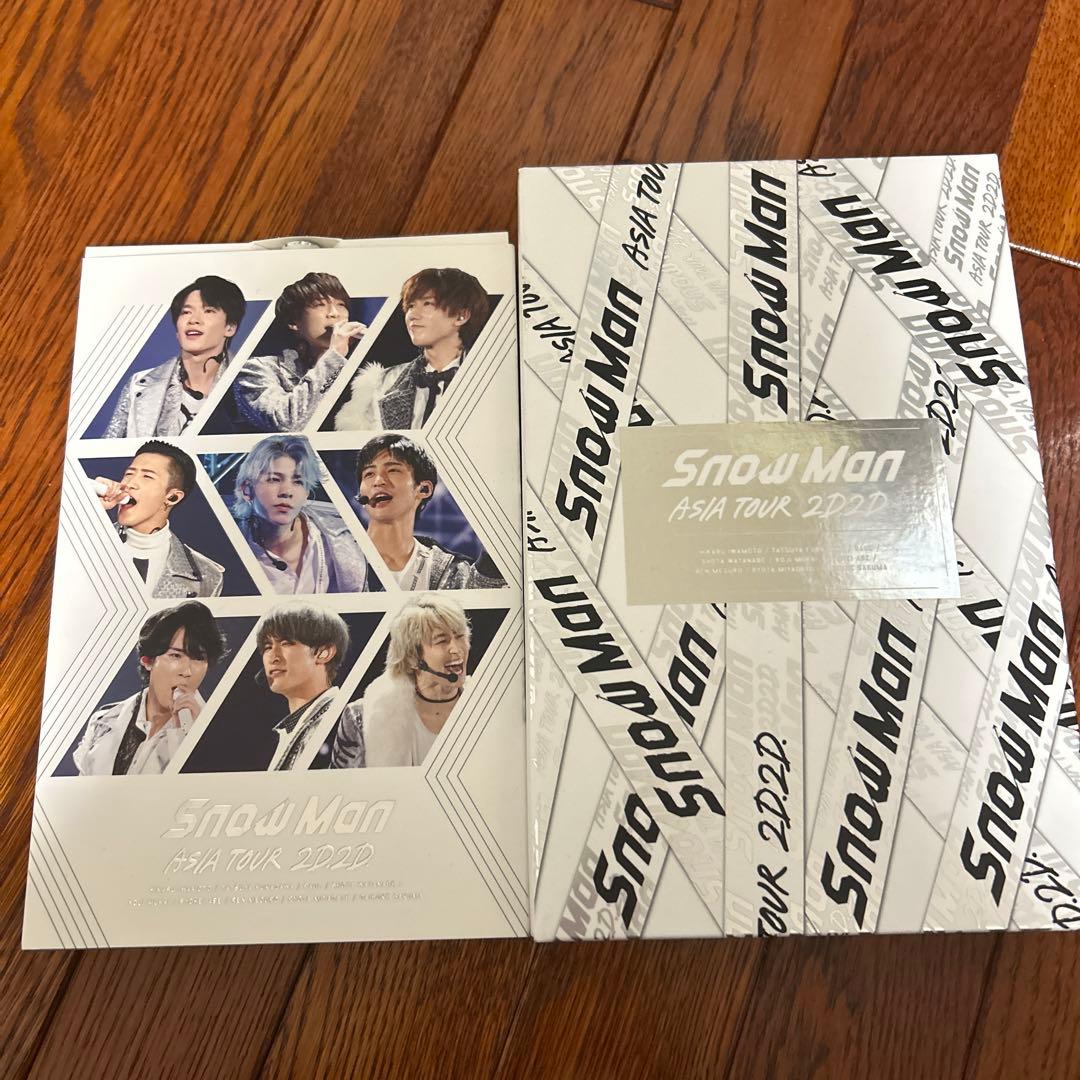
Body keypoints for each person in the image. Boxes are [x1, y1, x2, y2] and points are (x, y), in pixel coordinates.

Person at [73, 602, 227, 775]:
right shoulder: (103, 721)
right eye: (176, 655)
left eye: (199, 658)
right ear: (148, 661)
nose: (187, 672)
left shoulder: (216, 736)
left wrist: (192, 738)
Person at [333, 267, 491, 430]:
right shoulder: (383, 383)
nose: (413, 315)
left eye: (427, 304)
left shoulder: (488, 380)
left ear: (461, 316)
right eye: (410, 305)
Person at [332, 595, 470, 768]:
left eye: (460, 637)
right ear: (413, 658)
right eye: (442, 641)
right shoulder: (360, 717)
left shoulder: (488, 705)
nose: (456, 649)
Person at [354, 433, 505, 591]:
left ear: (424, 489)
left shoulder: (453, 572)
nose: (378, 481)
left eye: (393, 470)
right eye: (369, 474)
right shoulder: (339, 554)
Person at [104, 275, 247, 438]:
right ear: (177, 331)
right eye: (186, 312)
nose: (193, 320)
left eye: (208, 311)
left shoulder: (250, 386)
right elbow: (107, 446)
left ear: (230, 327)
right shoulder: (139, 384)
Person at [231, 436, 368, 594]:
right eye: (274, 479)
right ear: (247, 490)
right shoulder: (231, 547)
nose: (286, 492)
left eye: (298, 482)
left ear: (306, 493)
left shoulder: (341, 541)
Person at [232, 272, 365, 432]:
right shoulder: (259, 368)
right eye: (319, 304)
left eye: (341, 304)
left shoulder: (361, 369)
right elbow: (286, 423)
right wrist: (334, 356)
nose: (334, 313)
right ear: (294, 321)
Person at [94, 439, 224, 597]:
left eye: (147, 476)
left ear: (172, 497)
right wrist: (90, 505)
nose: (129, 484)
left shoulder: (206, 576)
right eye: (129, 474)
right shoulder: (90, 543)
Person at [256, 603, 359, 770]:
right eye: (267, 647)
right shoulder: (289, 728)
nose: (272, 657)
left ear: (324, 653)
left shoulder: (347, 722)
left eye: (286, 643)